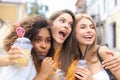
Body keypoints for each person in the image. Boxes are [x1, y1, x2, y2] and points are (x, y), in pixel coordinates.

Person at [1, 14, 55, 80]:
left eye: (48, 40)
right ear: (28, 40)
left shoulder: (33, 61)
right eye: (37, 40)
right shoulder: (24, 59)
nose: (44, 46)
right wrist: (42, 75)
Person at [72, 13, 120, 80]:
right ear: (73, 32)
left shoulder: (102, 52)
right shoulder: (72, 60)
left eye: (92, 27)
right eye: (83, 27)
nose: (89, 30)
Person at [34, 9, 75, 80]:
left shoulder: (72, 61)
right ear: (50, 24)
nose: (67, 26)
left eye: (70, 25)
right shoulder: (37, 51)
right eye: (62, 21)